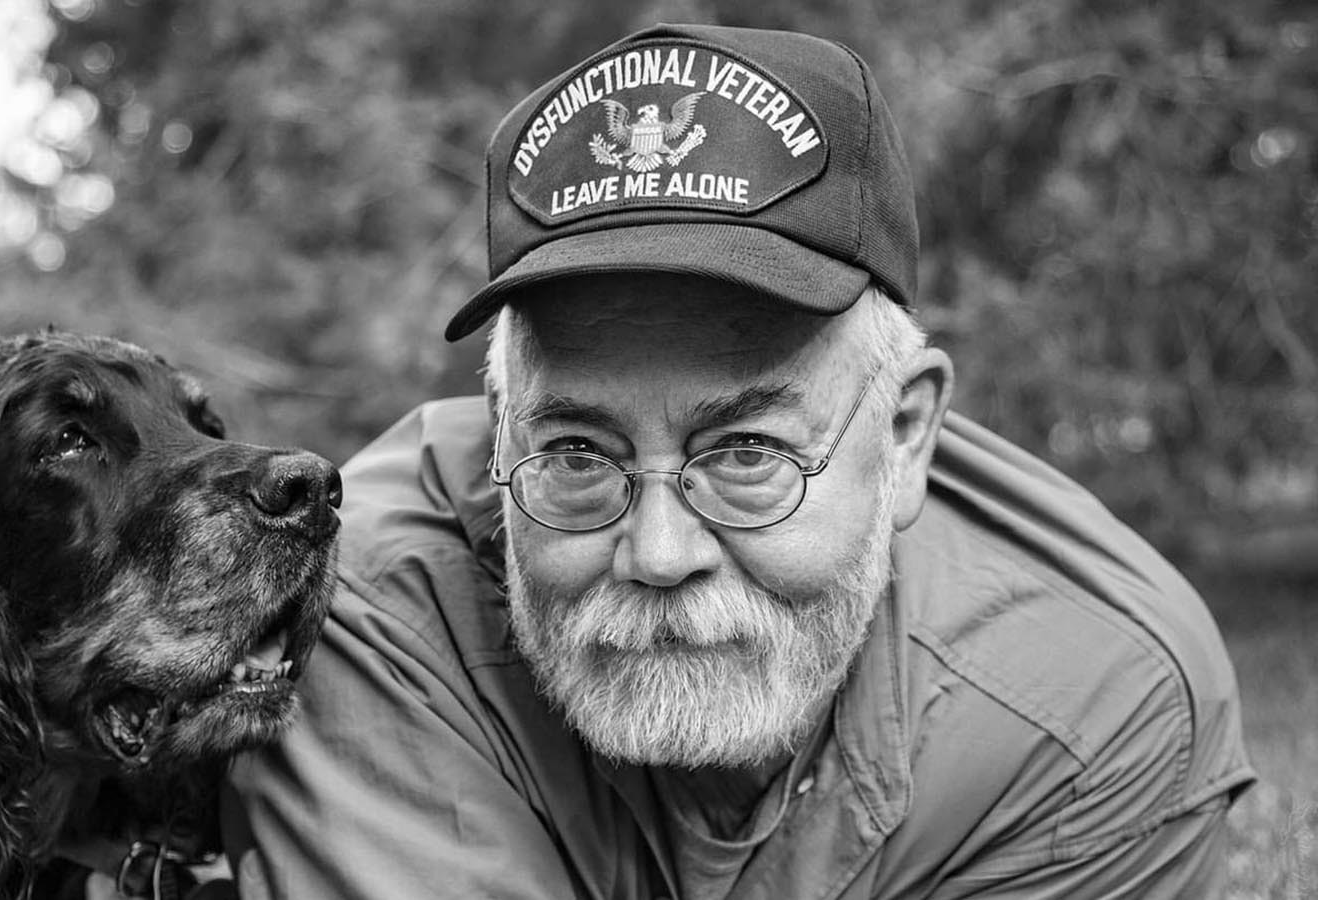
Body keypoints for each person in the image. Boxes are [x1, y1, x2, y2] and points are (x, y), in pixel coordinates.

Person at [223, 22, 1255, 899]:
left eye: (748, 451)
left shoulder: (1088, 703)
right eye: (577, 450)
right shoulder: (356, 609)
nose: (659, 553)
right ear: (498, 429)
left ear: (903, 437)